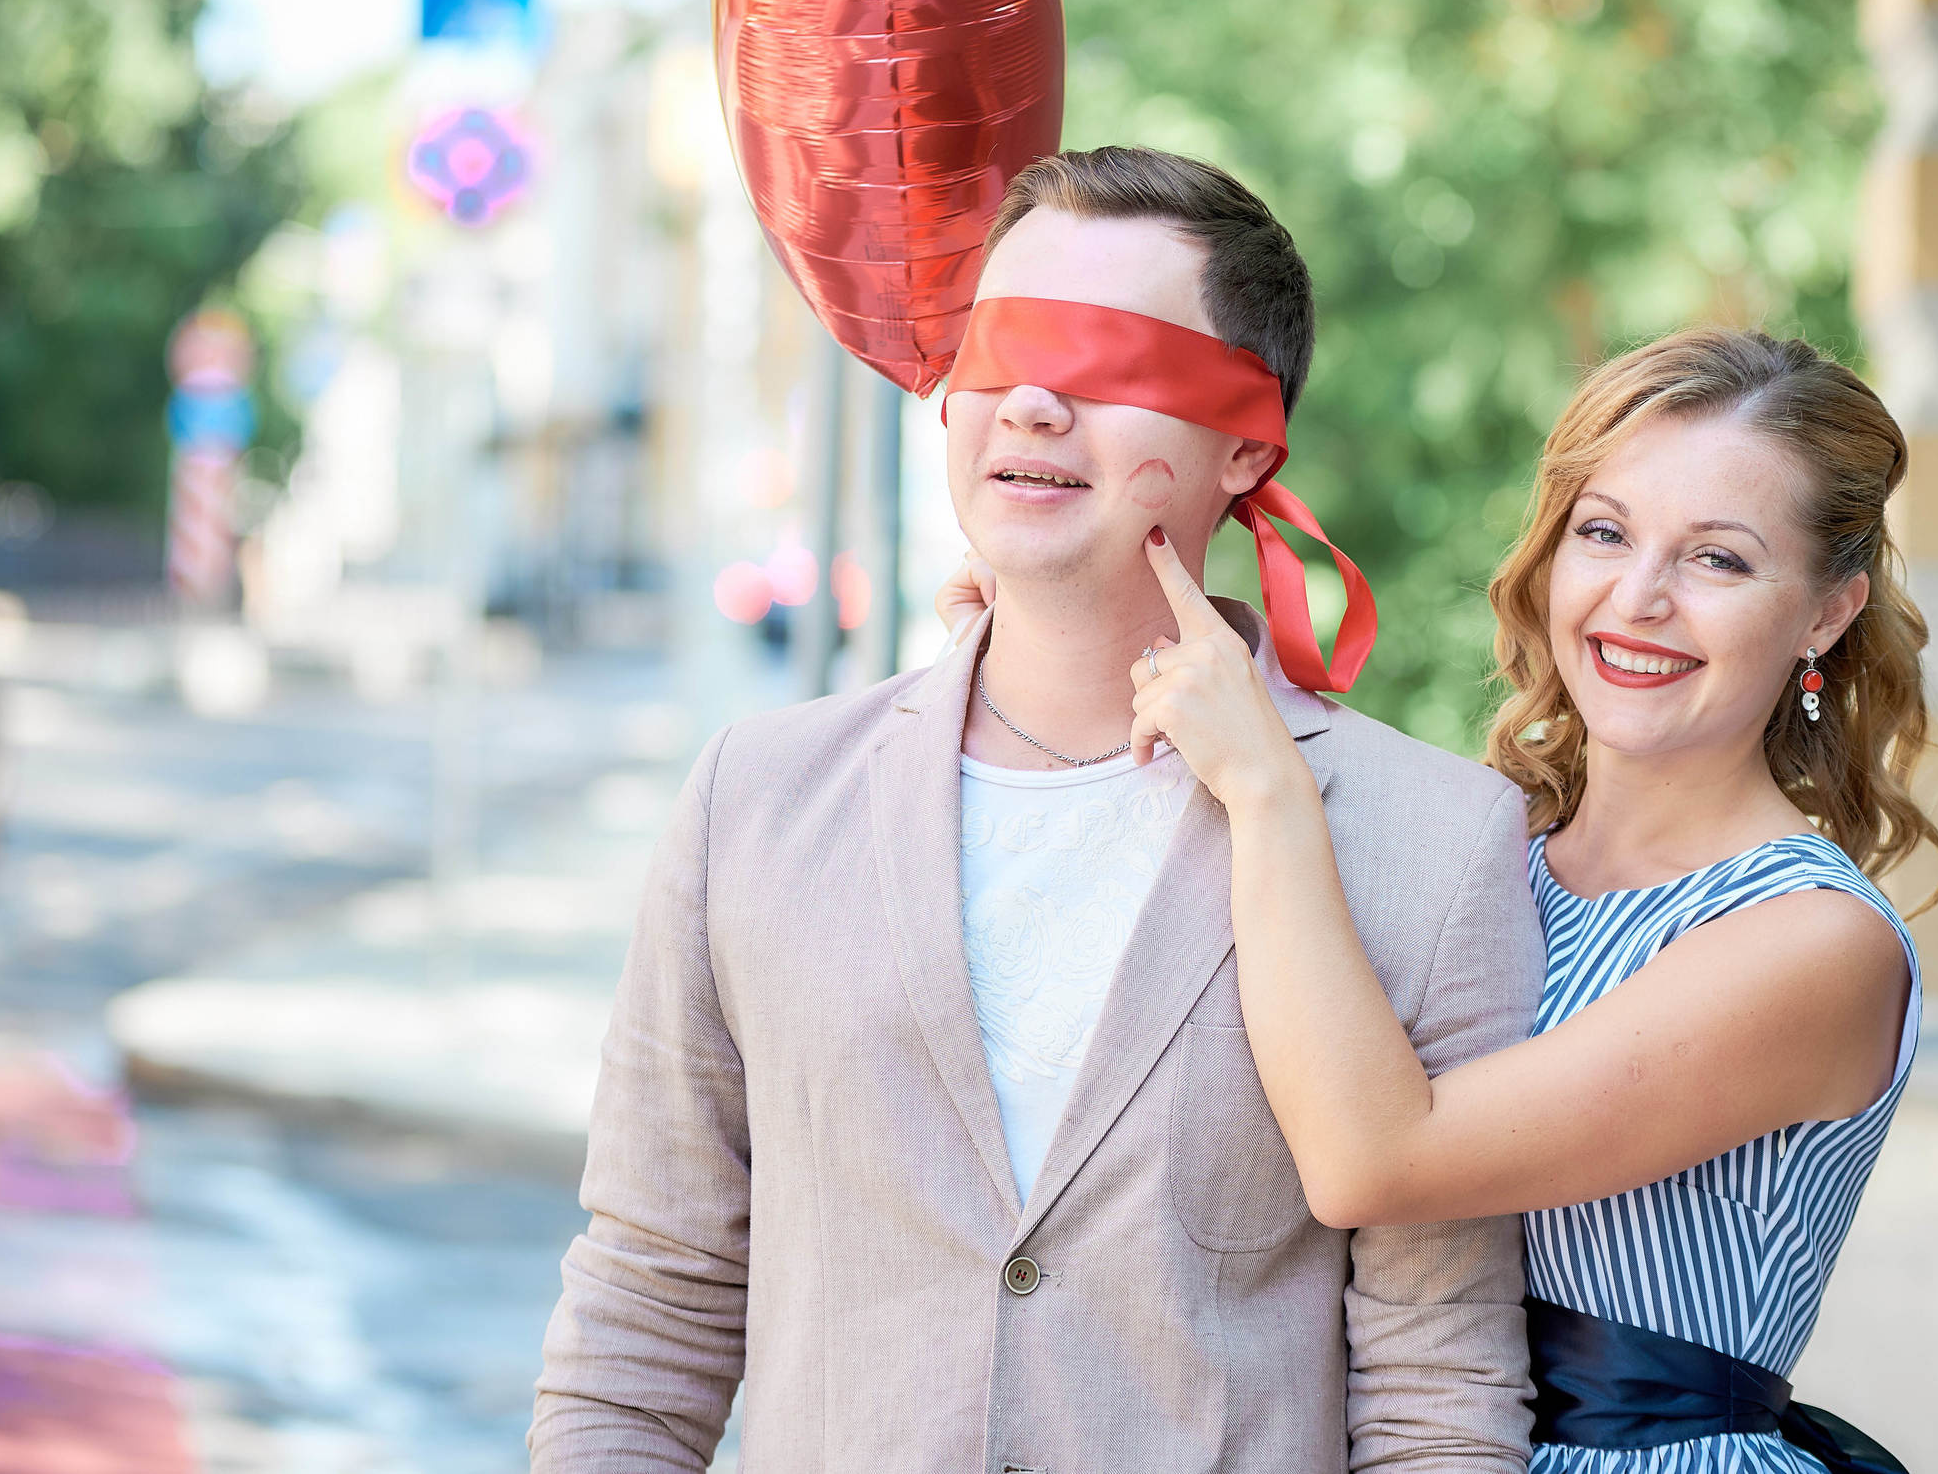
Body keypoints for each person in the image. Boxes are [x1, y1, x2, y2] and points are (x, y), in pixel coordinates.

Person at [529, 146, 1547, 1473]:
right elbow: (649, 1300)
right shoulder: (755, 802)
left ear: (1247, 439)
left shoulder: (1436, 844)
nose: (1034, 405)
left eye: (1111, 358)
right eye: (1000, 348)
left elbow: (1436, 1389)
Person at [1119, 329, 1938, 1473]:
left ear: (1823, 612)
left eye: (1716, 559)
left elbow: (1377, 1159)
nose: (1638, 596)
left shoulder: (1812, 942)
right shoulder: (1487, 854)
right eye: (1603, 533)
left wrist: (1266, 787)